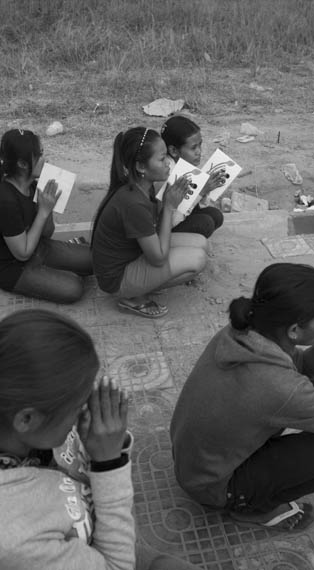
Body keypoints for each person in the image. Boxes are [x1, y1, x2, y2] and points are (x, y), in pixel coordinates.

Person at [170, 263, 314, 531]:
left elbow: (308, 369)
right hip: (214, 487)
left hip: (193, 465)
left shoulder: (241, 332)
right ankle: (251, 509)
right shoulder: (280, 387)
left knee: (311, 378)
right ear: (294, 331)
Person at [0, 308, 200, 570]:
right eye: (77, 406)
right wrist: (109, 463)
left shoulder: (25, 427)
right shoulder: (14, 538)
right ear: (26, 419)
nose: (86, 411)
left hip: (95, 534)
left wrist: (101, 445)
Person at [91, 127, 207, 318]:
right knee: (197, 259)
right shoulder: (132, 202)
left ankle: (146, 282)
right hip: (117, 279)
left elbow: (154, 227)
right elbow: (158, 258)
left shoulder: (143, 186)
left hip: (133, 255)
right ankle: (132, 297)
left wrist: (169, 202)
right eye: (162, 159)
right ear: (141, 167)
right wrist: (169, 206)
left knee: (202, 243)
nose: (168, 164)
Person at [0, 129, 92, 303]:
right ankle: (59, 272)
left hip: (38, 247)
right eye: (39, 155)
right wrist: (42, 212)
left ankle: (57, 268)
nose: (45, 159)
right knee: (73, 288)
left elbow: (47, 233)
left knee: (95, 260)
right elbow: (22, 254)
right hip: (13, 267)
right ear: (22, 163)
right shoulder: (6, 200)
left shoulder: (34, 186)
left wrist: (48, 209)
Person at [160, 115, 225, 238]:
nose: (199, 151)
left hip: (179, 217)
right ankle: (182, 247)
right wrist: (201, 191)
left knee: (216, 215)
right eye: (193, 147)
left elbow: (197, 207)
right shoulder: (168, 174)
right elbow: (172, 220)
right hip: (166, 229)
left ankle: (194, 242)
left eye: (200, 145)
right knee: (205, 223)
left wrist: (206, 189)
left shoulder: (184, 165)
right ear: (174, 150)